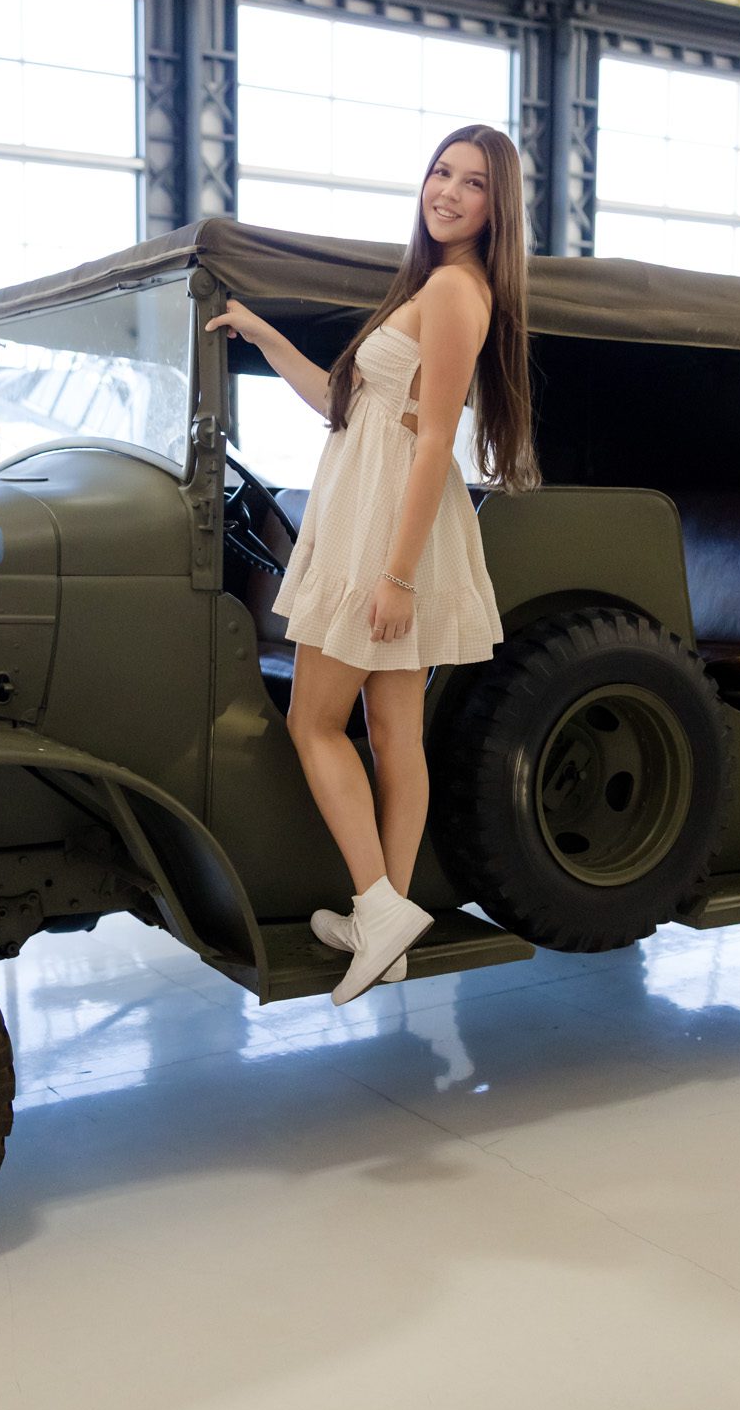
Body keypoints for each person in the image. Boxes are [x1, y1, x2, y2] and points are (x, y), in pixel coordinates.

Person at [208, 124, 542, 1006]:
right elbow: (338, 402)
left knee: (315, 723)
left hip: (386, 529)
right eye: (440, 172)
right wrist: (262, 334)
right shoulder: (427, 287)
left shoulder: (455, 292)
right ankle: (383, 927)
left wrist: (394, 578)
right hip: (375, 511)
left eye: (471, 183)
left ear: (494, 207)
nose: (447, 191)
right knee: (394, 733)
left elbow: (436, 440)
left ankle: (376, 903)